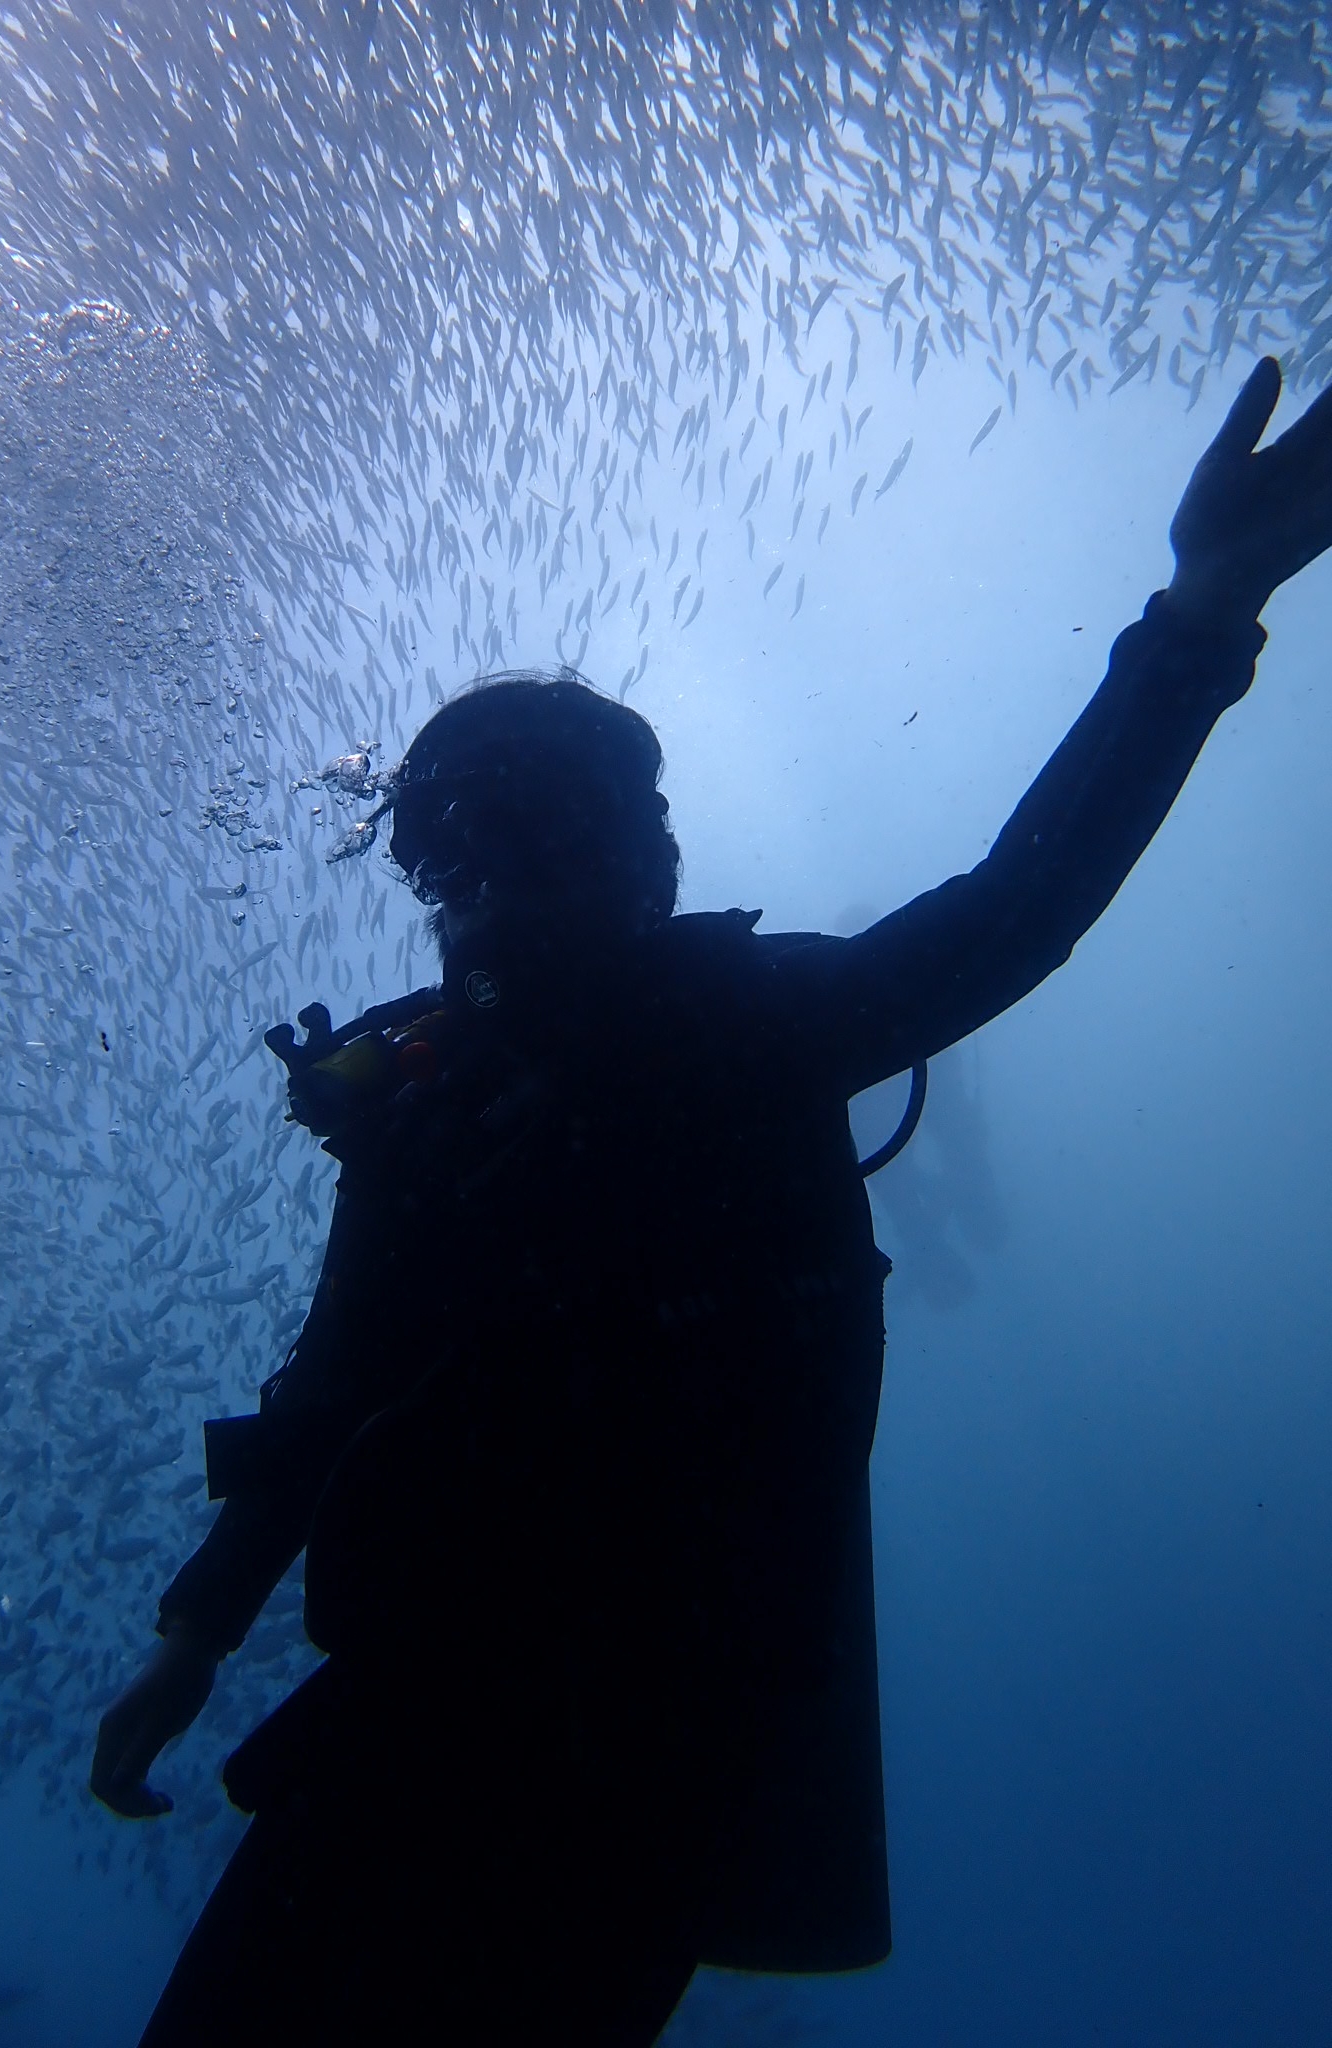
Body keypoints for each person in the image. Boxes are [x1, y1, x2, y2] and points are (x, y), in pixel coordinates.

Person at [93, 359, 1332, 2045]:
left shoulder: (757, 1035)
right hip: (409, 1718)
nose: (494, 890)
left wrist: (1199, 614)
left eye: (554, 834)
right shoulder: (424, 1110)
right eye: (455, 848)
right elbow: (339, 1382)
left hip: (653, 1762)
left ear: (648, 863)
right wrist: (193, 1630)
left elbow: (1015, 914)